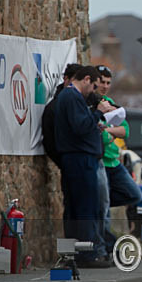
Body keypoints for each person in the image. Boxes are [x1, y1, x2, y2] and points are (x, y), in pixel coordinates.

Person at [54, 65, 114, 268]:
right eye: (94, 86)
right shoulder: (72, 97)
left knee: (77, 207)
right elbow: (80, 127)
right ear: (86, 79)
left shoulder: (69, 97)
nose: (94, 91)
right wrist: (97, 113)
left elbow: (80, 124)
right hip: (80, 159)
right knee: (85, 207)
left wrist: (93, 121)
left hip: (77, 158)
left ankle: (76, 253)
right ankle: (88, 254)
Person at [96, 65, 142, 251]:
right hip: (101, 163)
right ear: (93, 81)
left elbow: (125, 130)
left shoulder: (109, 102)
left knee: (134, 194)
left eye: (108, 82)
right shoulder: (91, 103)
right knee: (104, 210)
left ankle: (99, 202)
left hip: (114, 162)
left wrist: (107, 130)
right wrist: (110, 133)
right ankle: (106, 247)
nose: (105, 86)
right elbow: (102, 138)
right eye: (101, 81)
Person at [41, 62, 82, 168]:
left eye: (80, 82)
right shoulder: (55, 107)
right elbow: (49, 141)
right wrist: (65, 162)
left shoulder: (84, 102)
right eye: (75, 81)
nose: (77, 86)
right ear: (66, 79)